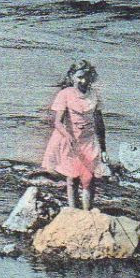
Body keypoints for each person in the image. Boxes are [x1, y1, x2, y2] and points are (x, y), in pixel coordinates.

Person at [42, 60, 109, 211]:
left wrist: (103, 149)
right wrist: (68, 136)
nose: (83, 81)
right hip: (70, 139)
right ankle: (72, 211)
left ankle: (87, 213)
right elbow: (58, 122)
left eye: (86, 77)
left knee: (88, 178)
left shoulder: (94, 95)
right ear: (72, 76)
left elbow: (100, 124)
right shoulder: (64, 94)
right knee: (72, 178)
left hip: (88, 140)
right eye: (79, 77)